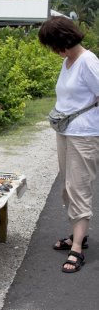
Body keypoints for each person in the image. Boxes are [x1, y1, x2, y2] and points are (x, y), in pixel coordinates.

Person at [38, 16, 99, 273]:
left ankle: (76, 249)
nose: (53, 51)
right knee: (67, 186)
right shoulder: (68, 61)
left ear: (62, 40)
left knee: (79, 188)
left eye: (52, 44)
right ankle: (78, 236)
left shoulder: (88, 61)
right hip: (65, 132)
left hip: (84, 135)